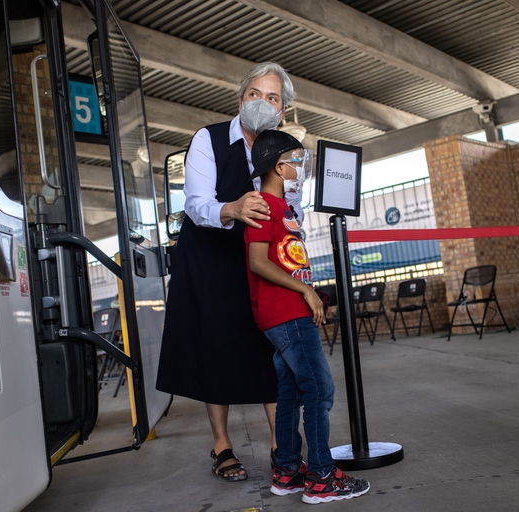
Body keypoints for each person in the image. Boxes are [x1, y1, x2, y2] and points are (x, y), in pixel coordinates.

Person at [156, 62, 303, 482]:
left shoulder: (286, 150)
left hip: (261, 259)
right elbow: (196, 201)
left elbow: (296, 206)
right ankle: (221, 445)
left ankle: (282, 446)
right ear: (241, 99)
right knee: (214, 349)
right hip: (210, 256)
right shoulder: (209, 138)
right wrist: (234, 208)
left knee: (272, 350)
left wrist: (291, 226)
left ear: (284, 109)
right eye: (255, 94)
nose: (262, 103)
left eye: (272, 98)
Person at [244, 129, 371, 504]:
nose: (302, 168)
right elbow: (256, 262)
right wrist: (305, 290)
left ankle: (287, 471)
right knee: (319, 389)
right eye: (297, 161)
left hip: (288, 313)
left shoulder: (283, 208)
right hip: (287, 314)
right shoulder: (264, 204)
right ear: (279, 166)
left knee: (290, 391)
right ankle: (320, 476)